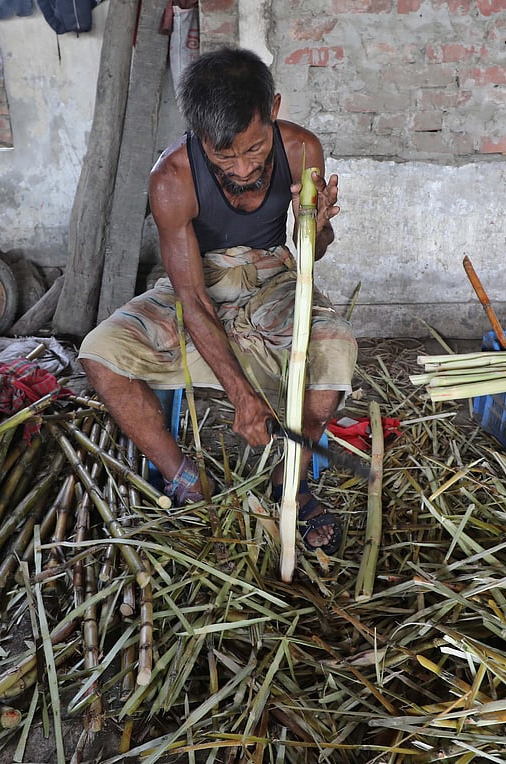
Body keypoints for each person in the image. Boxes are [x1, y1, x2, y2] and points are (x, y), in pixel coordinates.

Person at [77, 47, 358, 554]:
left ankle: (290, 480)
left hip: (272, 276)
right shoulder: (172, 178)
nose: (243, 167)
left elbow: (311, 255)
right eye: (223, 156)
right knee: (100, 353)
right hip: (196, 281)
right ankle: (186, 479)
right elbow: (192, 299)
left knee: (335, 348)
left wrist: (318, 227)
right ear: (198, 132)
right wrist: (242, 396)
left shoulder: (302, 150)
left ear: (273, 110)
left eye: (254, 149)